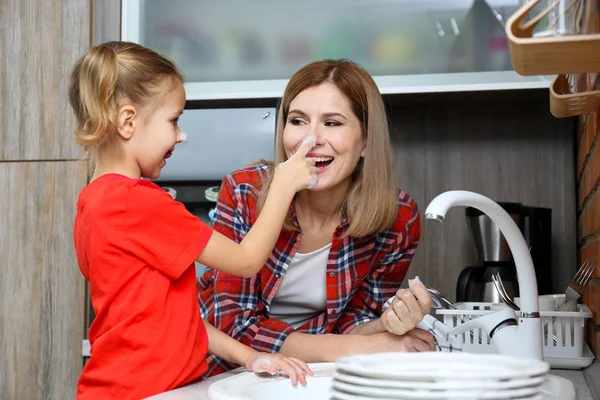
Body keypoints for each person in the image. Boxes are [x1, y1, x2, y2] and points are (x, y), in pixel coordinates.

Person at [68, 41, 317, 400]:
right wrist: (283, 184)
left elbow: (173, 320)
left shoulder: (92, 202)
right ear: (127, 121)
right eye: (174, 120)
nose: (182, 135)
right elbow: (246, 261)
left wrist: (249, 357)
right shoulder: (136, 201)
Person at [198, 59, 435, 377]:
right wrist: (367, 347)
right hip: (226, 371)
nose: (310, 140)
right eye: (297, 121)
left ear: (366, 141)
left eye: (332, 123)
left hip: (320, 373)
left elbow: (353, 321)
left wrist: (386, 325)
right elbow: (235, 326)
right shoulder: (244, 192)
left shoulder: (399, 219)